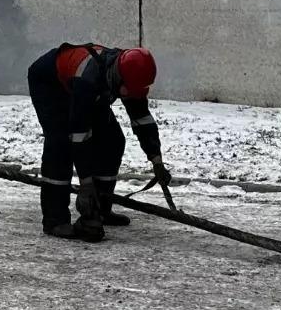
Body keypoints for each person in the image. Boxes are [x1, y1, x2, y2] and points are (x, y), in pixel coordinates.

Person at [27, 43, 174, 242]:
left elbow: (142, 119)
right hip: (50, 83)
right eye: (126, 91)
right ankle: (55, 220)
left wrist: (156, 160)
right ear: (118, 78)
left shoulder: (129, 76)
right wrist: (86, 184)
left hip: (88, 89)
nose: (127, 95)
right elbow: (78, 135)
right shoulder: (89, 78)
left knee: (112, 140)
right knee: (61, 144)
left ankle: (100, 209)